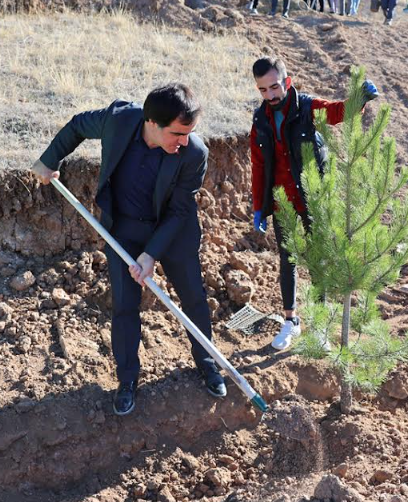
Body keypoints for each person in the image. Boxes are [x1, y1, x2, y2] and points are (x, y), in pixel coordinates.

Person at [31, 84, 226, 416]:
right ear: (152, 121)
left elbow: (179, 211)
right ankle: (127, 381)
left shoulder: (193, 152)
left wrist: (150, 255)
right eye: (178, 133)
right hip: (124, 229)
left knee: (193, 296)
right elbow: (78, 124)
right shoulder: (119, 120)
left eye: (188, 133)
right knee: (124, 305)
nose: (184, 141)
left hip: (173, 231)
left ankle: (208, 363)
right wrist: (48, 160)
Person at [249, 56, 378, 351]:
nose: (270, 95)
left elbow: (335, 112)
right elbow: (258, 166)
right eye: (263, 90)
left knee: (318, 262)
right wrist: (260, 206)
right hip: (283, 205)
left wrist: (358, 99)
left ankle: (318, 325)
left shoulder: (306, 107)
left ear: (287, 82)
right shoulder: (260, 122)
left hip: (313, 201)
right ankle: (291, 321)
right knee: (288, 261)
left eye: (274, 87)